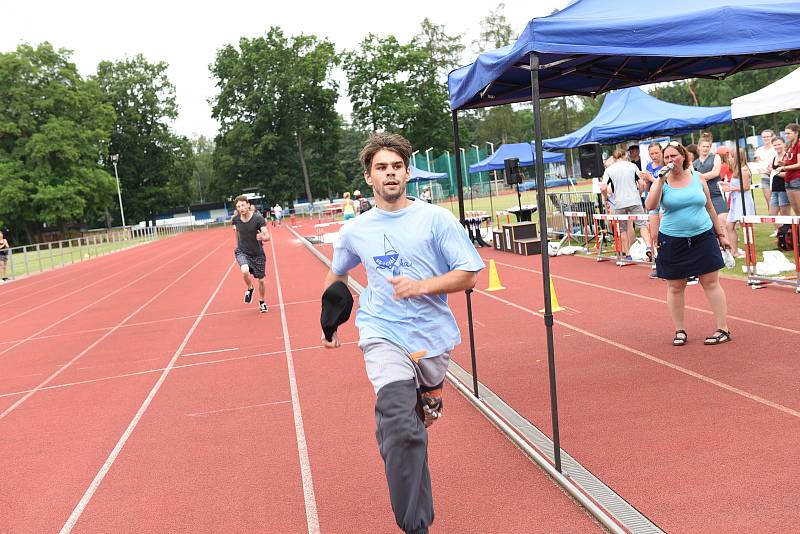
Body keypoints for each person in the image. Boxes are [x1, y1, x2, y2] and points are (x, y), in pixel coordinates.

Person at [322, 132, 484, 534]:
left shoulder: (436, 219)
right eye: (381, 168)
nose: (390, 173)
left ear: (407, 173)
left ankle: (427, 396)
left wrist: (420, 286)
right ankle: (416, 525)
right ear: (368, 177)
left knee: (413, 424)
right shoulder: (356, 230)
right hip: (381, 332)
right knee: (397, 424)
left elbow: (470, 276)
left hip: (432, 338)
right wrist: (329, 318)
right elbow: (337, 274)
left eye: (396, 166)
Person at [645, 142, 732, 346]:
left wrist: (720, 234)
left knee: (710, 282)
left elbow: (710, 207)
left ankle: (723, 328)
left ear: (683, 157)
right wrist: (659, 179)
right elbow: (650, 205)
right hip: (673, 239)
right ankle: (680, 330)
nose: (670, 160)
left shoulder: (698, 178)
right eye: (666, 157)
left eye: (674, 156)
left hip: (703, 236)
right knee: (675, 286)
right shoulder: (662, 182)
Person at [601, 148, 651, 260]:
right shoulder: (632, 166)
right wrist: (639, 193)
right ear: (625, 156)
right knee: (642, 225)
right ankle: (648, 246)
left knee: (623, 229)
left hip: (619, 202)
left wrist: (605, 197)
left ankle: (628, 254)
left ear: (614, 158)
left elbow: (603, 186)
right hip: (634, 200)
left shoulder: (609, 170)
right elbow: (641, 183)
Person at [232, 195, 270, 313]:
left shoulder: (258, 218)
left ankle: (262, 301)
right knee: (244, 270)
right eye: (238, 206)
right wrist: (237, 245)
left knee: (261, 281)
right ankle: (250, 288)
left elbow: (267, 235)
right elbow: (236, 232)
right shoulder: (235, 219)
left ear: (248, 205)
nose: (241, 208)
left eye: (243, 205)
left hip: (257, 253)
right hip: (242, 251)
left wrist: (263, 237)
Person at [693, 136, 730, 245]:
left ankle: (730, 249)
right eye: (703, 146)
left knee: (722, 220)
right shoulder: (694, 163)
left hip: (716, 193)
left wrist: (699, 177)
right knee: (708, 223)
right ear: (699, 147)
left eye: (708, 146)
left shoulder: (716, 157)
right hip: (701, 195)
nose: (705, 148)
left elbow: (715, 172)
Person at [720, 148, 755, 259]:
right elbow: (736, 185)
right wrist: (725, 184)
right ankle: (734, 251)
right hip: (736, 200)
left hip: (743, 200)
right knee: (729, 226)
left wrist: (730, 189)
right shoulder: (736, 170)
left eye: (731, 156)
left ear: (736, 157)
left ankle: (750, 250)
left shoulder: (744, 170)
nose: (729, 158)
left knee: (745, 226)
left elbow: (746, 187)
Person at [774, 123, 800, 216]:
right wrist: (784, 163)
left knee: (799, 207)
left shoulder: (799, 144)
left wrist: (784, 167)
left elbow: (799, 164)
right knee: (795, 208)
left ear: (796, 133)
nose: (786, 135)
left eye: (789, 133)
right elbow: (791, 161)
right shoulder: (789, 145)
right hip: (788, 179)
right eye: (785, 133)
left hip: (796, 179)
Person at [768, 136, 792, 234]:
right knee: (772, 214)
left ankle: (788, 237)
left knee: (785, 215)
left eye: (779, 144)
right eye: (775, 145)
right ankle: (784, 233)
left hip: (784, 189)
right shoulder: (774, 158)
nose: (777, 146)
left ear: (783, 143)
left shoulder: (787, 157)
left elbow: (788, 174)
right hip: (775, 190)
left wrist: (774, 172)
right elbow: (772, 172)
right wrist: (768, 171)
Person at [754, 129, 777, 206]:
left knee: (780, 203)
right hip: (765, 179)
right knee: (769, 203)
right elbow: (758, 164)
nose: (765, 138)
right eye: (763, 137)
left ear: (772, 137)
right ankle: (771, 218)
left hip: (776, 178)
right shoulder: (759, 150)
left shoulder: (776, 149)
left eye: (767, 136)